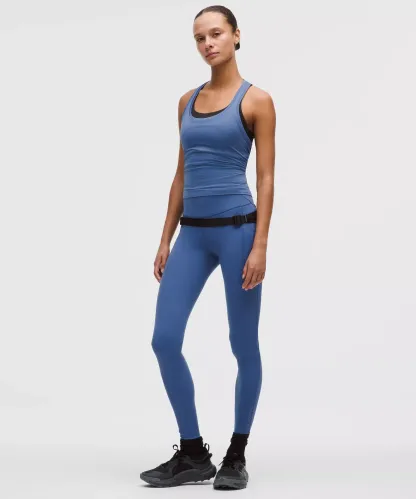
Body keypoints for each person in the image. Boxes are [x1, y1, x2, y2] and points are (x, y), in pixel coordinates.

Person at [140, 5, 275, 490]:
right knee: (164, 339)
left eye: (216, 34)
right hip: (192, 235)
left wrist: (260, 245)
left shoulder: (256, 100)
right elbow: (181, 174)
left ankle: (236, 454)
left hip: (239, 232)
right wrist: (165, 238)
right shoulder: (186, 101)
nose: (208, 44)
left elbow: (265, 177)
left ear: (236, 36)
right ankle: (194, 454)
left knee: (243, 344)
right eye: (199, 38)